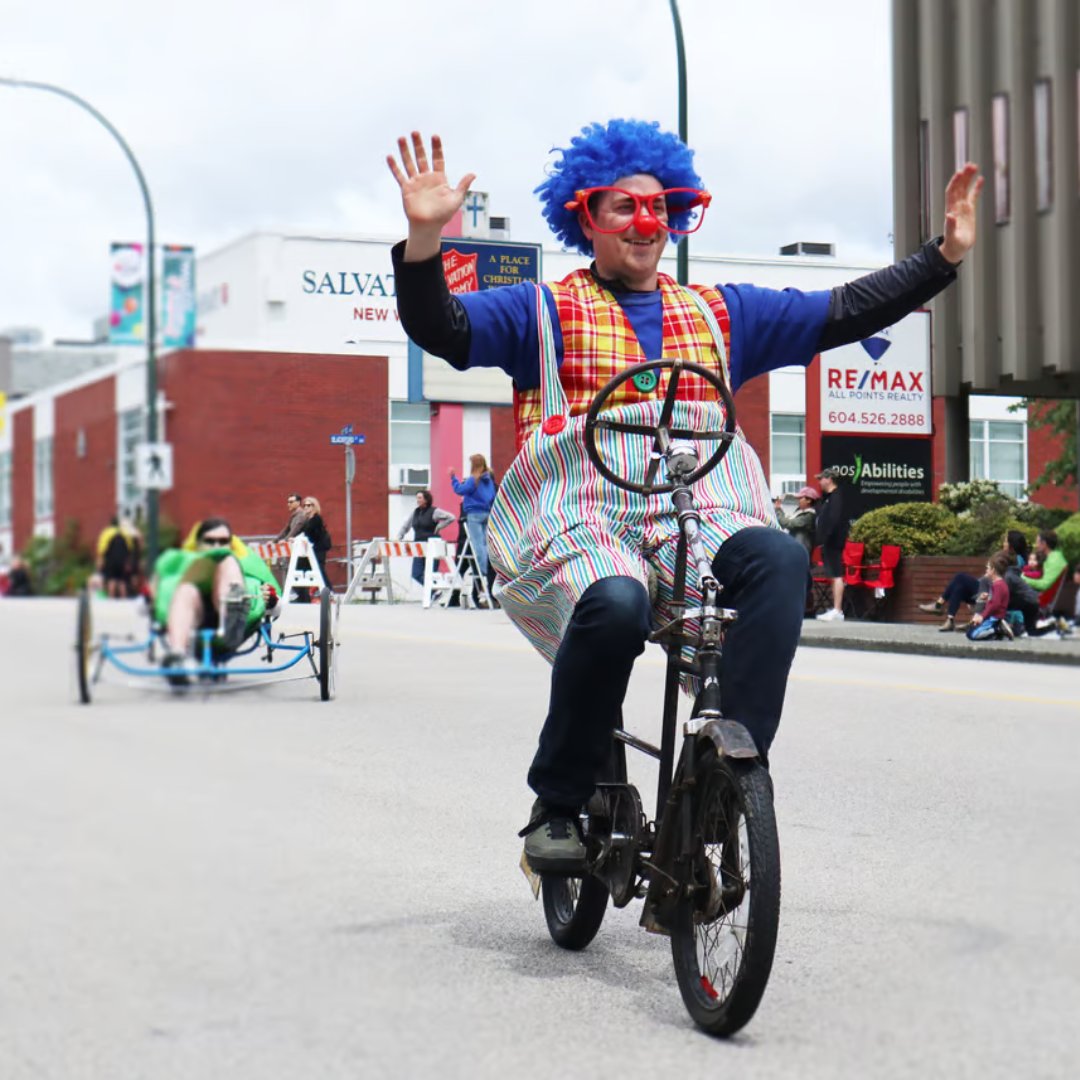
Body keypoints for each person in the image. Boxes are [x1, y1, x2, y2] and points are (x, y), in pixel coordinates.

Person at [387, 123, 981, 871]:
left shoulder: (719, 313)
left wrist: (943, 257)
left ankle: (732, 767)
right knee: (616, 604)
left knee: (778, 558)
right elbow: (441, 327)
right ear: (585, 216)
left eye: (661, 206)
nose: (646, 223)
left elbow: (842, 311)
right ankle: (560, 801)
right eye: (623, 207)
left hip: (704, 509)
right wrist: (422, 242)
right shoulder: (541, 311)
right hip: (585, 514)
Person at [151, 518, 280, 684]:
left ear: (231, 543)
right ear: (198, 544)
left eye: (223, 541)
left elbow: (276, 606)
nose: (217, 546)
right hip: (192, 619)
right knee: (186, 589)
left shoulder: (247, 563)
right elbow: (156, 596)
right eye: (210, 541)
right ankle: (177, 657)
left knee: (226, 560)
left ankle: (233, 606)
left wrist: (269, 600)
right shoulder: (180, 562)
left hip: (234, 622)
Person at [920, 529, 1030, 632]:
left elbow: (1000, 579)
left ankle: (939, 606)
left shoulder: (1015, 560)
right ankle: (950, 619)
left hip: (992, 591)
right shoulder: (1010, 557)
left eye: (1006, 541)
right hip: (988, 587)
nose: (1003, 543)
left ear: (1011, 545)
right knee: (960, 586)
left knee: (960, 577)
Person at [450, 454, 498, 576]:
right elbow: (492, 496)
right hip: (487, 513)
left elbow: (460, 490)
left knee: (477, 544)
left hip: (474, 514)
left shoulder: (473, 480)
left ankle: (482, 571)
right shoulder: (489, 481)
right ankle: (488, 567)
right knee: (485, 543)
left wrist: (453, 479)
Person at [397, 489, 455, 586]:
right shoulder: (415, 512)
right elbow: (406, 526)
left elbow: (451, 517)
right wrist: (399, 536)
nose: (417, 500)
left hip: (432, 547)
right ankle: (434, 592)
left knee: (431, 574)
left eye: (420, 498)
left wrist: (439, 526)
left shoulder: (434, 511)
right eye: (417, 498)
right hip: (418, 548)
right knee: (416, 574)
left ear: (426, 499)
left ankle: (434, 592)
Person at [813, 468, 848, 621]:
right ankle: (836, 608)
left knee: (836, 574)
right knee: (833, 575)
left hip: (833, 541)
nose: (819, 482)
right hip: (829, 542)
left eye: (821, 478)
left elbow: (834, 520)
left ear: (829, 479)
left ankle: (837, 610)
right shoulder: (828, 498)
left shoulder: (836, 497)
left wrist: (827, 536)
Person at [965, 551, 1015, 641]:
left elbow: (995, 604)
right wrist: (988, 598)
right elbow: (996, 600)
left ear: (993, 570)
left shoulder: (998, 585)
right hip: (992, 617)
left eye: (988, 568)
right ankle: (996, 632)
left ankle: (998, 629)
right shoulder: (998, 584)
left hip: (994, 618)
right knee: (970, 630)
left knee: (971, 635)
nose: (986, 570)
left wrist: (982, 616)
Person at [96, 516, 137, 598]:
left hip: (110, 561)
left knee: (112, 580)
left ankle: (112, 599)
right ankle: (124, 599)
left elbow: (101, 549)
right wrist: (128, 563)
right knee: (123, 581)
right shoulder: (125, 533)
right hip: (123, 561)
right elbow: (131, 549)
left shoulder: (106, 533)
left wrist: (100, 563)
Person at [298, 496, 332, 592]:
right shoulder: (308, 520)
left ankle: (329, 592)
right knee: (304, 570)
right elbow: (302, 532)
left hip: (318, 550)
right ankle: (303, 595)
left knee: (319, 572)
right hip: (311, 550)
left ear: (314, 506)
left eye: (308, 505)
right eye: (304, 505)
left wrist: (302, 538)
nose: (306, 507)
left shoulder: (316, 519)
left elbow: (310, 534)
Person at [773, 486, 818, 555]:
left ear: (809, 500)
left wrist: (778, 509)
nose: (798, 500)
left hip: (801, 550)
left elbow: (787, 523)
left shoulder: (809, 516)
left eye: (800, 498)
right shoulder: (801, 512)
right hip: (797, 547)